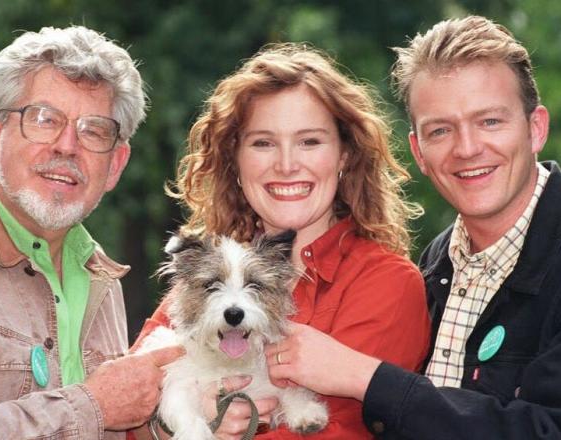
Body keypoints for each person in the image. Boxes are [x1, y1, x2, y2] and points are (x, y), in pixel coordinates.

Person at [265, 15, 561, 440]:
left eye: (490, 121)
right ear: (419, 151)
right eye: (441, 130)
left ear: (535, 129)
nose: (468, 148)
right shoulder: (437, 262)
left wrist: (368, 378)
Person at [130, 43, 431, 439]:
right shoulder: (205, 272)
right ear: (234, 159)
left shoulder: (386, 283)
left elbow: (339, 429)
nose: (287, 164)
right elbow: (125, 406)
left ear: (344, 155)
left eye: (309, 141)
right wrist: (168, 425)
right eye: (263, 143)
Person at [0, 26, 183, 439]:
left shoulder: (99, 275)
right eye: (45, 120)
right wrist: (92, 407)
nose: (67, 146)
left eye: (94, 131)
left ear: (115, 164)